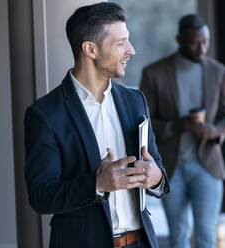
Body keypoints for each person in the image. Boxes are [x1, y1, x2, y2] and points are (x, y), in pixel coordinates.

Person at [24, 3, 169, 248]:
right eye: (120, 43)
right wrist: (97, 184)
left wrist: (156, 178)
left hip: (141, 242)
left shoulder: (136, 101)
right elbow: (41, 197)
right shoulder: (45, 114)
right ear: (90, 49)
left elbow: (158, 172)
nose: (131, 50)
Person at [140, 14, 225, 248]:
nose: (201, 48)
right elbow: (143, 122)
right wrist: (175, 126)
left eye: (205, 41)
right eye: (194, 42)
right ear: (179, 39)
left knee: (206, 234)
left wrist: (213, 130)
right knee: (178, 235)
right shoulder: (154, 73)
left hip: (207, 165)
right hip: (171, 167)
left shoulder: (220, 72)